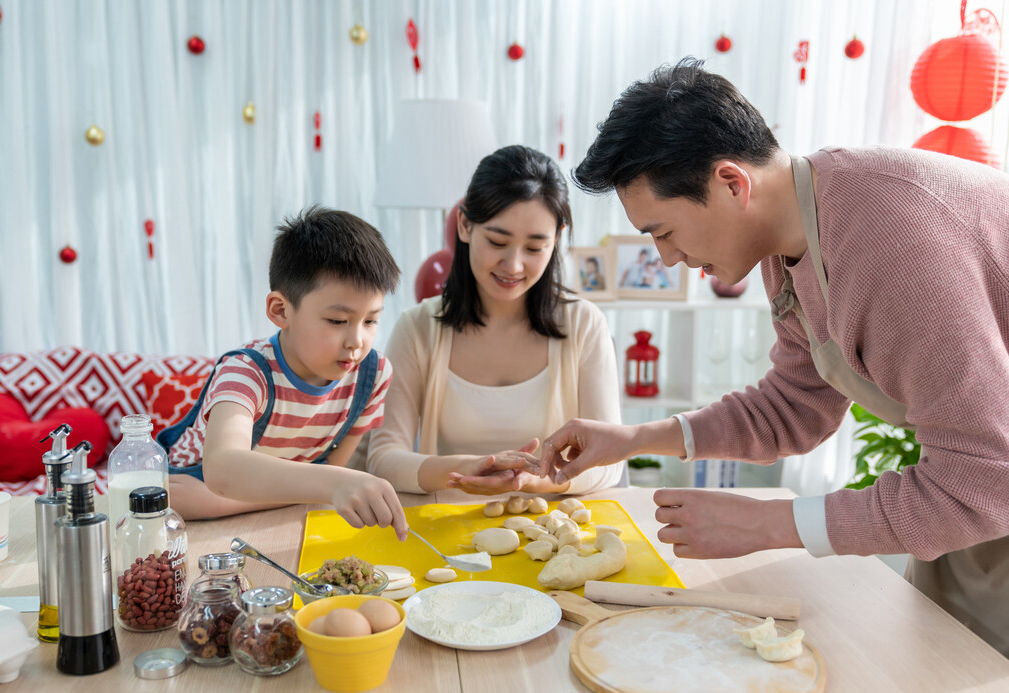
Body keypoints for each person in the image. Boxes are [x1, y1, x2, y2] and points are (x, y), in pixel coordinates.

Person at [539, 58, 1009, 654]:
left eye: (663, 232)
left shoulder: (892, 240)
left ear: (732, 183)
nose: (666, 259)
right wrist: (635, 439)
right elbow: (796, 406)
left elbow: (981, 479)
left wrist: (766, 525)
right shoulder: (788, 240)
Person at [367, 145, 624, 496]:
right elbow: (383, 458)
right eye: (497, 241)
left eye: (534, 248)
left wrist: (535, 481)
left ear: (557, 239)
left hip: (551, 534)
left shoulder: (584, 323)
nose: (514, 265)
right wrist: (465, 470)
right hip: (448, 532)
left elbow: (610, 462)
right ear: (464, 225)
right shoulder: (417, 328)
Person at [165, 206, 408, 540]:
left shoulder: (372, 374)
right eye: (338, 321)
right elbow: (221, 471)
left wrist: (215, 501)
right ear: (280, 311)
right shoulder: (246, 373)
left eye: (370, 321)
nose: (356, 341)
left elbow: (329, 473)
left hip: (262, 515)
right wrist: (327, 485)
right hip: (192, 517)